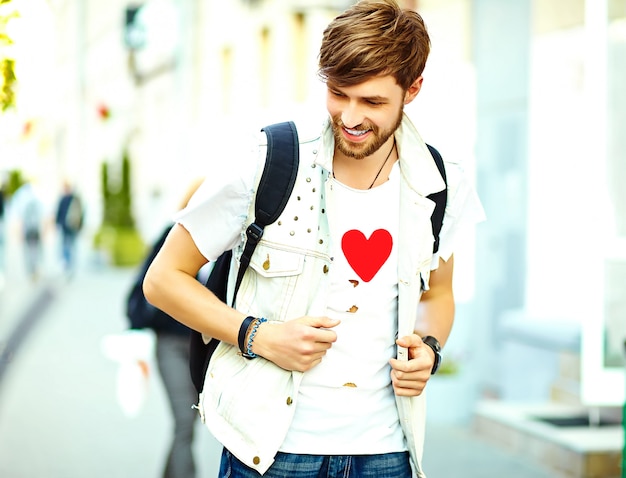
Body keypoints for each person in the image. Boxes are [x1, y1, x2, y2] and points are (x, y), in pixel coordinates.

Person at [144, 1, 485, 477]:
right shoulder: (268, 160)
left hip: (388, 455)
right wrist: (257, 335)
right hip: (272, 453)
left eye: (372, 102)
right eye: (338, 93)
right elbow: (162, 280)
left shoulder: (441, 183)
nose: (349, 116)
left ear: (413, 89)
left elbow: (439, 294)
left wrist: (428, 347)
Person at [126, 179, 204, 478]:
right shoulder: (170, 240)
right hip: (170, 344)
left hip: (205, 349)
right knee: (184, 422)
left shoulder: (229, 246)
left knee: (190, 424)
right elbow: (142, 290)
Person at [55, 181, 84, 276]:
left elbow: (59, 212)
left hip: (69, 226)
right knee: (68, 245)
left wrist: (57, 223)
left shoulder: (68, 199)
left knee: (68, 245)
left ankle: (69, 263)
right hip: (69, 226)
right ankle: (69, 263)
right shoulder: (74, 198)